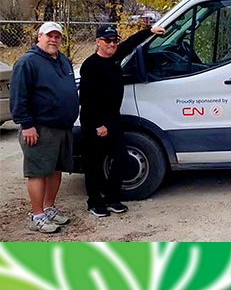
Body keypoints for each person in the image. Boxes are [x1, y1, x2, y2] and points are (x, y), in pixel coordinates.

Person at [79, 23, 165, 217]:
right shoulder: (90, 65)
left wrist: (150, 31)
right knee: (94, 165)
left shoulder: (116, 57)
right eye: (107, 40)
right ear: (98, 42)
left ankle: (111, 198)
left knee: (122, 159)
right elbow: (87, 99)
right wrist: (98, 125)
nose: (112, 44)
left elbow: (132, 43)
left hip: (113, 121)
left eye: (114, 40)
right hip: (95, 124)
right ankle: (94, 202)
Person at [9, 22, 79, 233]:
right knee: (38, 172)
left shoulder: (62, 60)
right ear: (39, 36)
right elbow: (18, 96)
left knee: (55, 169)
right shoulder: (27, 62)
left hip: (62, 127)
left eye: (57, 36)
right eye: (49, 36)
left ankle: (49, 208)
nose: (54, 40)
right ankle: (37, 215)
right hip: (39, 128)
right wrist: (27, 124)